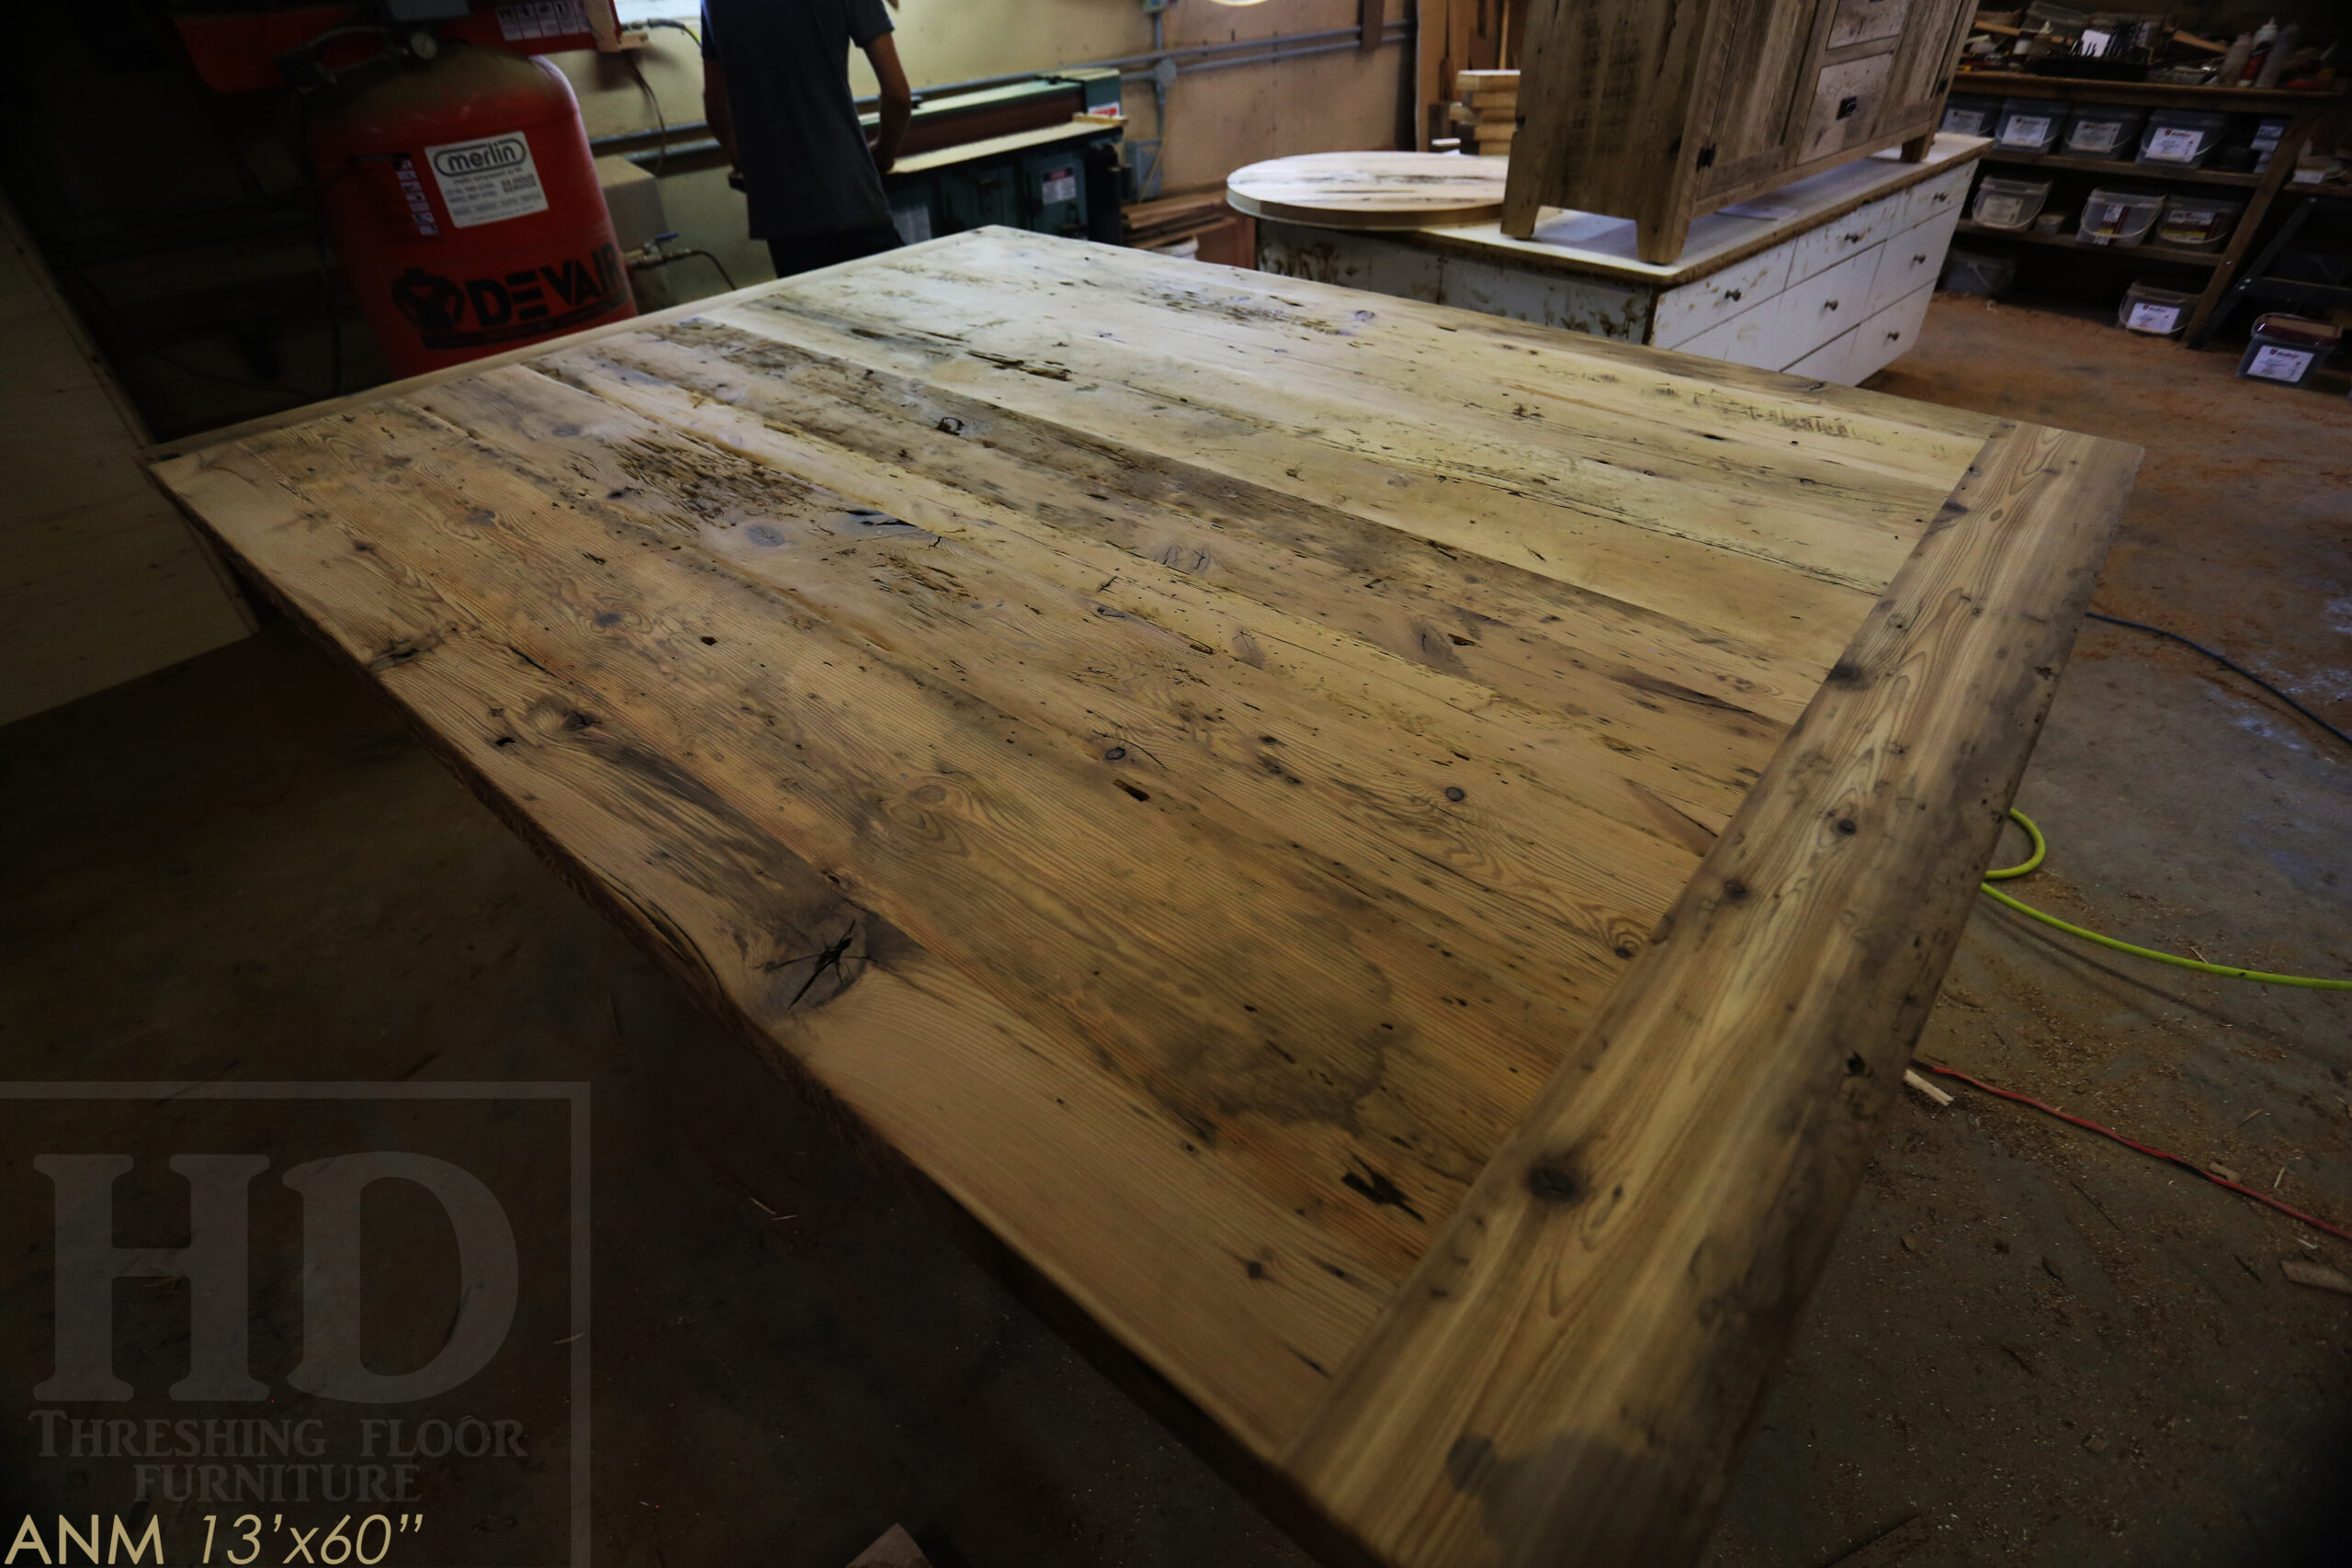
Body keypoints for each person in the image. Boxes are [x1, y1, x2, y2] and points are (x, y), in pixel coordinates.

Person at [699, 0, 915, 278]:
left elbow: (716, 107)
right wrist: (884, 156)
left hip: (781, 216)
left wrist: (746, 164)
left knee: (812, 319)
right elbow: (898, 96)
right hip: (850, 200)